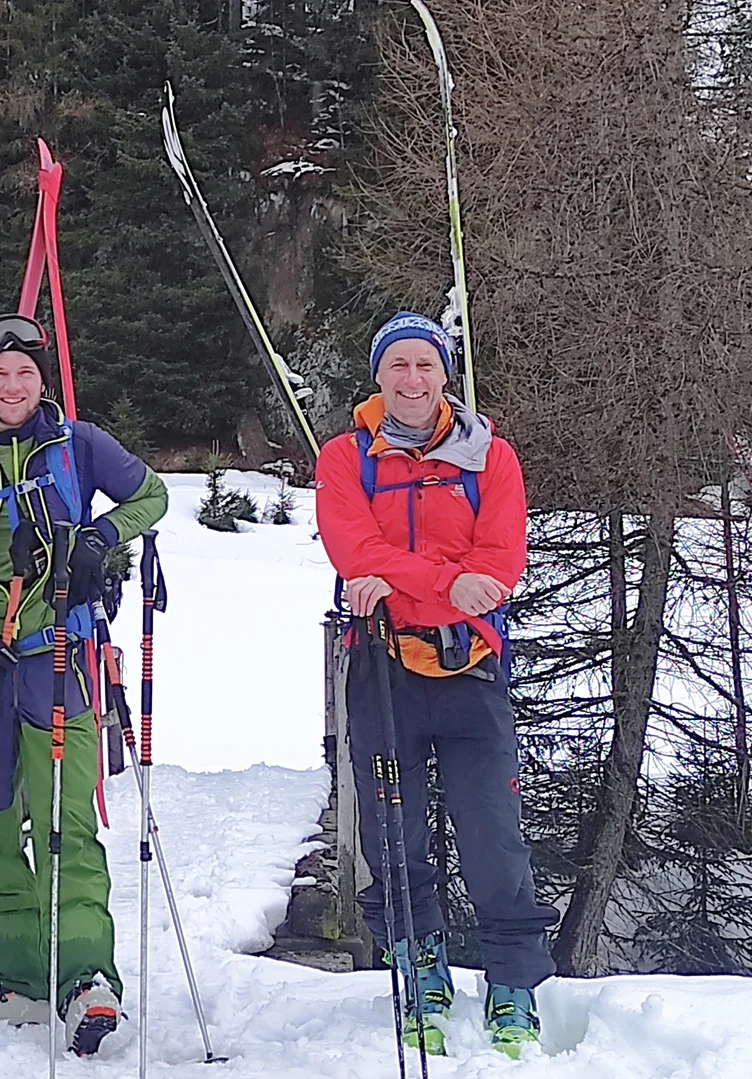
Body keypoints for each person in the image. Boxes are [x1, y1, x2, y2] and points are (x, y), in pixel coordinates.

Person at [0, 312, 167, 1056]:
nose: (11, 386)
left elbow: (151, 496)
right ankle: (15, 977)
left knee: (65, 820)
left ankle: (86, 975)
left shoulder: (79, 445)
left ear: (40, 381)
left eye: (23, 373)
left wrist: (101, 538)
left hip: (62, 658)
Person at [314, 311, 557, 1059]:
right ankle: (417, 961)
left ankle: (511, 980)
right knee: (396, 831)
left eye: (425, 365)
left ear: (445, 372)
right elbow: (355, 548)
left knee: (493, 833)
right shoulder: (345, 457)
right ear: (378, 375)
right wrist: (451, 580)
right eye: (398, 366)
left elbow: (502, 561)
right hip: (383, 666)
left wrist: (400, 577)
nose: (412, 380)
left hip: (470, 669)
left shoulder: (493, 458)